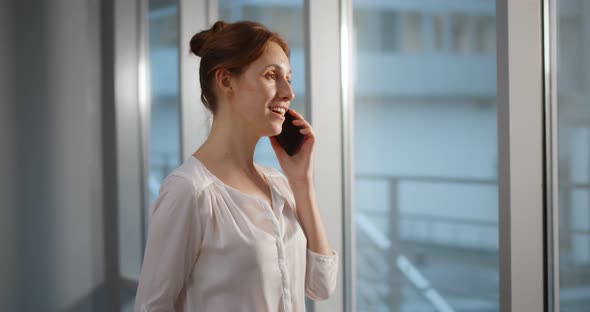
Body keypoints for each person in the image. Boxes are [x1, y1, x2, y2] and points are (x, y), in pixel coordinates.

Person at [134, 20, 338, 312]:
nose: (288, 92)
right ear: (226, 81)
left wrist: (302, 182)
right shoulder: (189, 191)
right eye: (272, 76)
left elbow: (321, 285)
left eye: (289, 78)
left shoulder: (280, 184)